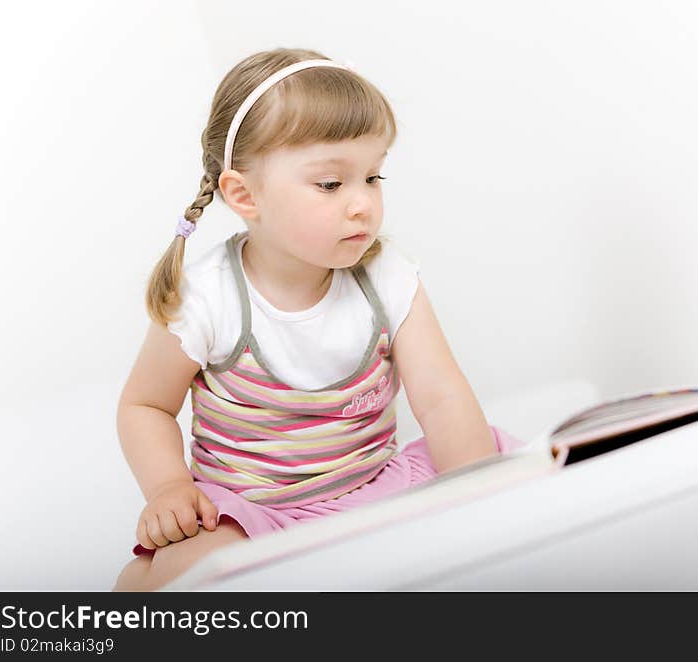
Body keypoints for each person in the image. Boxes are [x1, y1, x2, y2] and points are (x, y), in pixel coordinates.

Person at [112, 47, 523, 592]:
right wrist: (168, 487)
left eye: (373, 178)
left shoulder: (389, 278)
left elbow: (442, 397)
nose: (362, 204)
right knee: (185, 570)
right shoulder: (208, 296)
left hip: (376, 484)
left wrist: (476, 493)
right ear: (243, 194)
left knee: (497, 466)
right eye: (331, 184)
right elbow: (145, 405)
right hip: (256, 514)